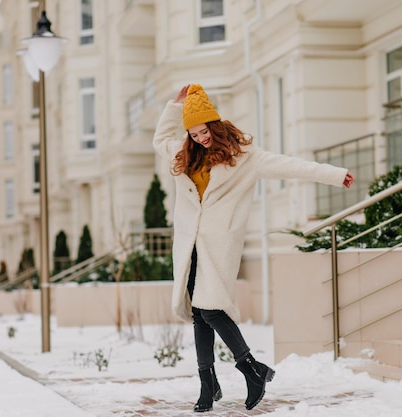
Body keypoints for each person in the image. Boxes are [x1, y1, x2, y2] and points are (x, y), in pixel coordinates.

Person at [152, 84, 355, 412]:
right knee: (198, 314)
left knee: (211, 308)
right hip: (188, 244)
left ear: (215, 126)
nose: (199, 138)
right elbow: (159, 138)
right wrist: (175, 107)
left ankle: (251, 368)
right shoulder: (184, 153)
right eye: (193, 134)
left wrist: (335, 175)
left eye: (203, 131)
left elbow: (290, 166)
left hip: (218, 245)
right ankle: (209, 385)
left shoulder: (244, 157)